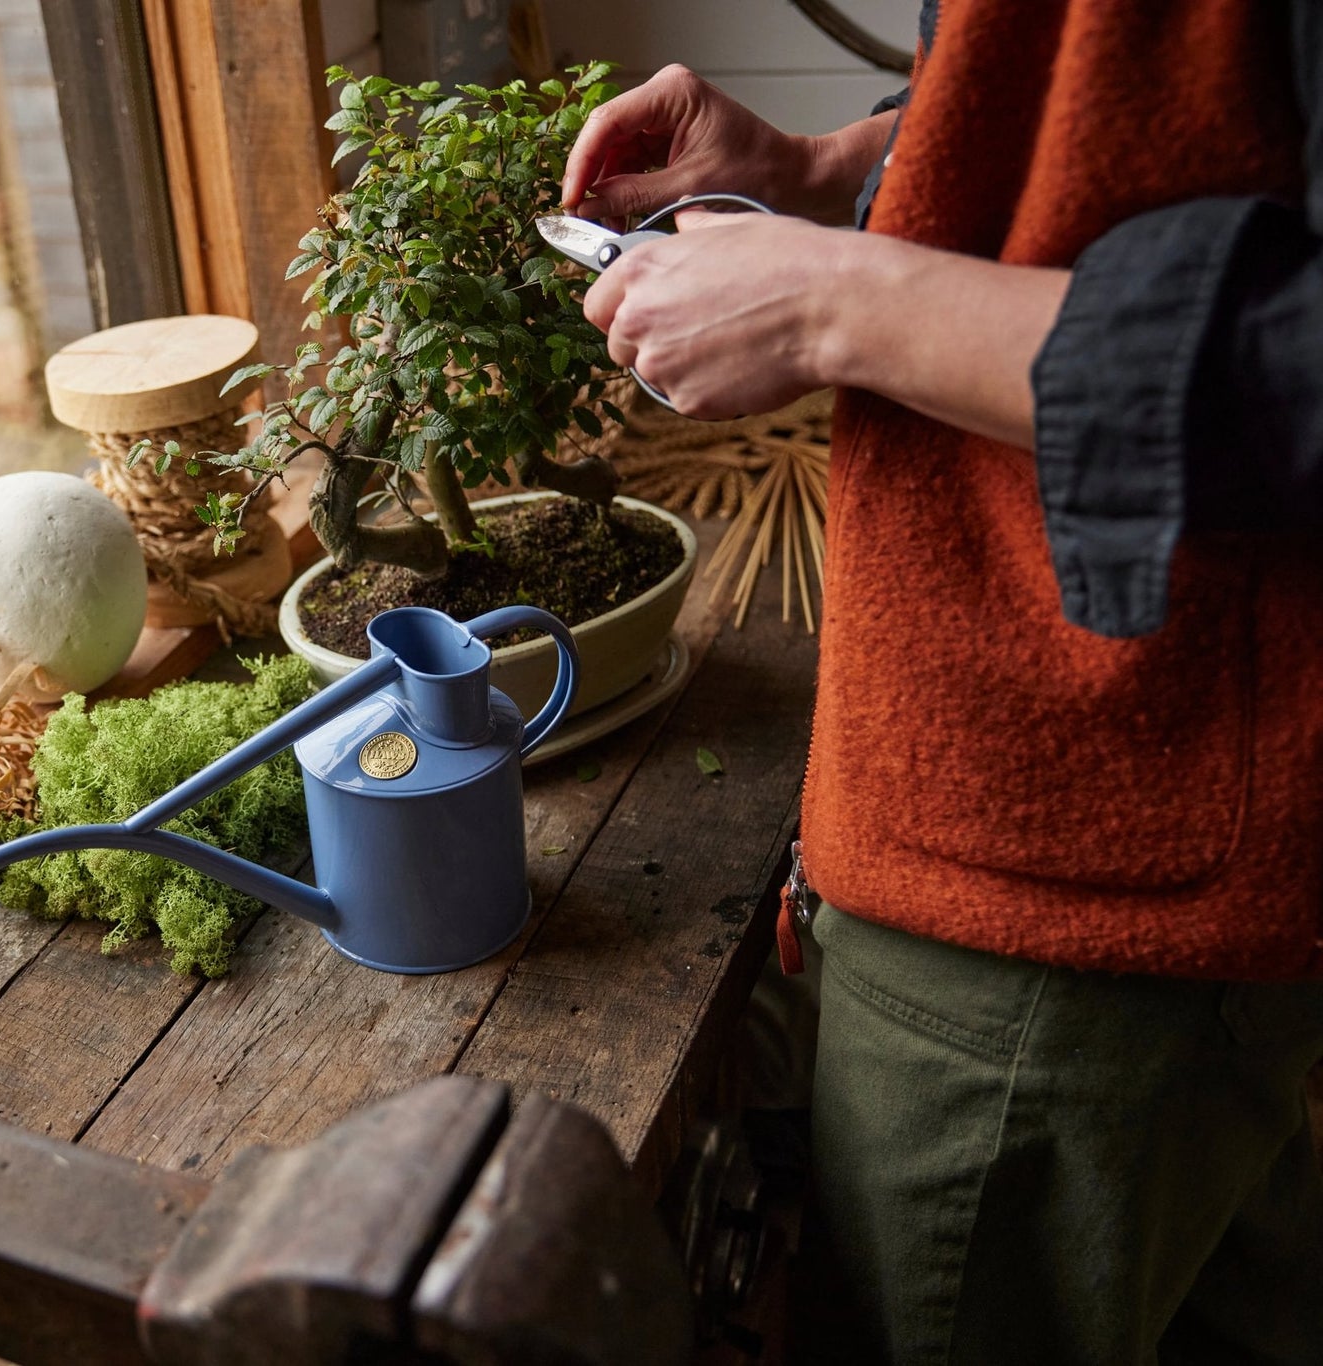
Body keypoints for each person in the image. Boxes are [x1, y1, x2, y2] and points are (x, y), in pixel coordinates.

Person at [563, 4, 1323, 1363]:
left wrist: (830, 298)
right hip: (1021, 809)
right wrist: (840, 168)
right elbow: (1149, 145)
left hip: (1088, 870)